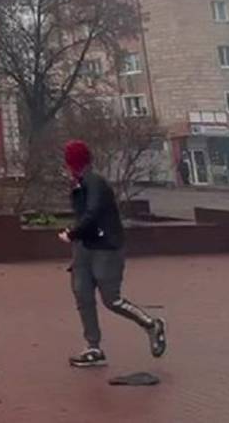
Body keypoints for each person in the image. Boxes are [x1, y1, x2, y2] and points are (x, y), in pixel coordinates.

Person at [59, 139, 167, 368]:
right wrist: (76, 234)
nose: (66, 167)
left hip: (106, 247)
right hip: (84, 247)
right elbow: (83, 215)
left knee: (111, 299)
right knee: (82, 295)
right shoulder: (78, 184)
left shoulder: (94, 182)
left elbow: (93, 213)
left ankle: (151, 324)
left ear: (74, 163)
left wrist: (73, 233)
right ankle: (93, 348)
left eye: (67, 162)